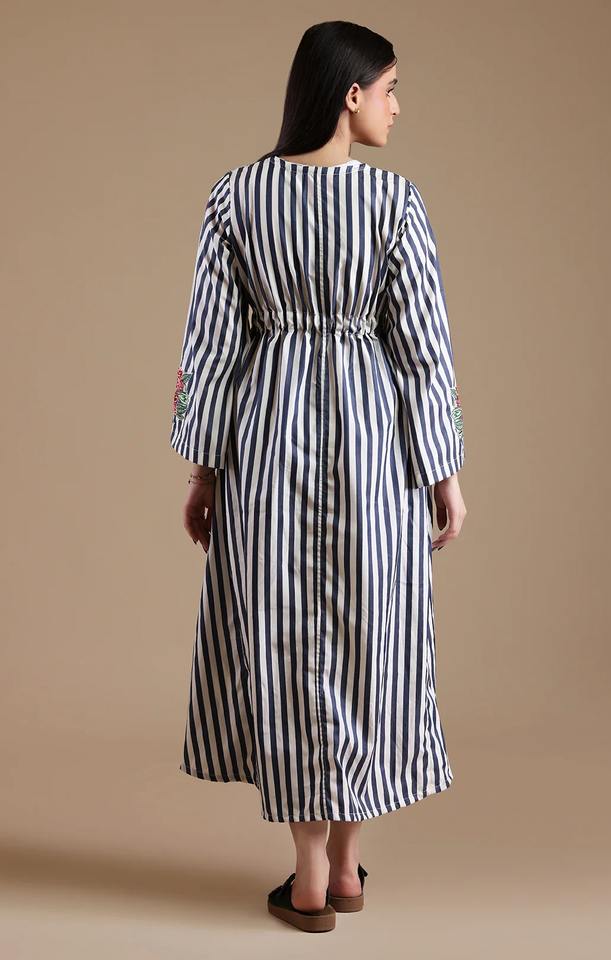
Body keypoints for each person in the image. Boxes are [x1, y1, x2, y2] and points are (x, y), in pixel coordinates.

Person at [169, 20, 467, 933]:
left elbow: (212, 347)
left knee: (289, 643)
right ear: (350, 92)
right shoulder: (393, 202)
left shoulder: (236, 197)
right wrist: (444, 471)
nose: (397, 107)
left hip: (265, 443)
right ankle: (343, 866)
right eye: (390, 89)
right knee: (370, 640)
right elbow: (422, 350)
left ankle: (306, 877)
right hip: (375, 446)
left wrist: (204, 470)